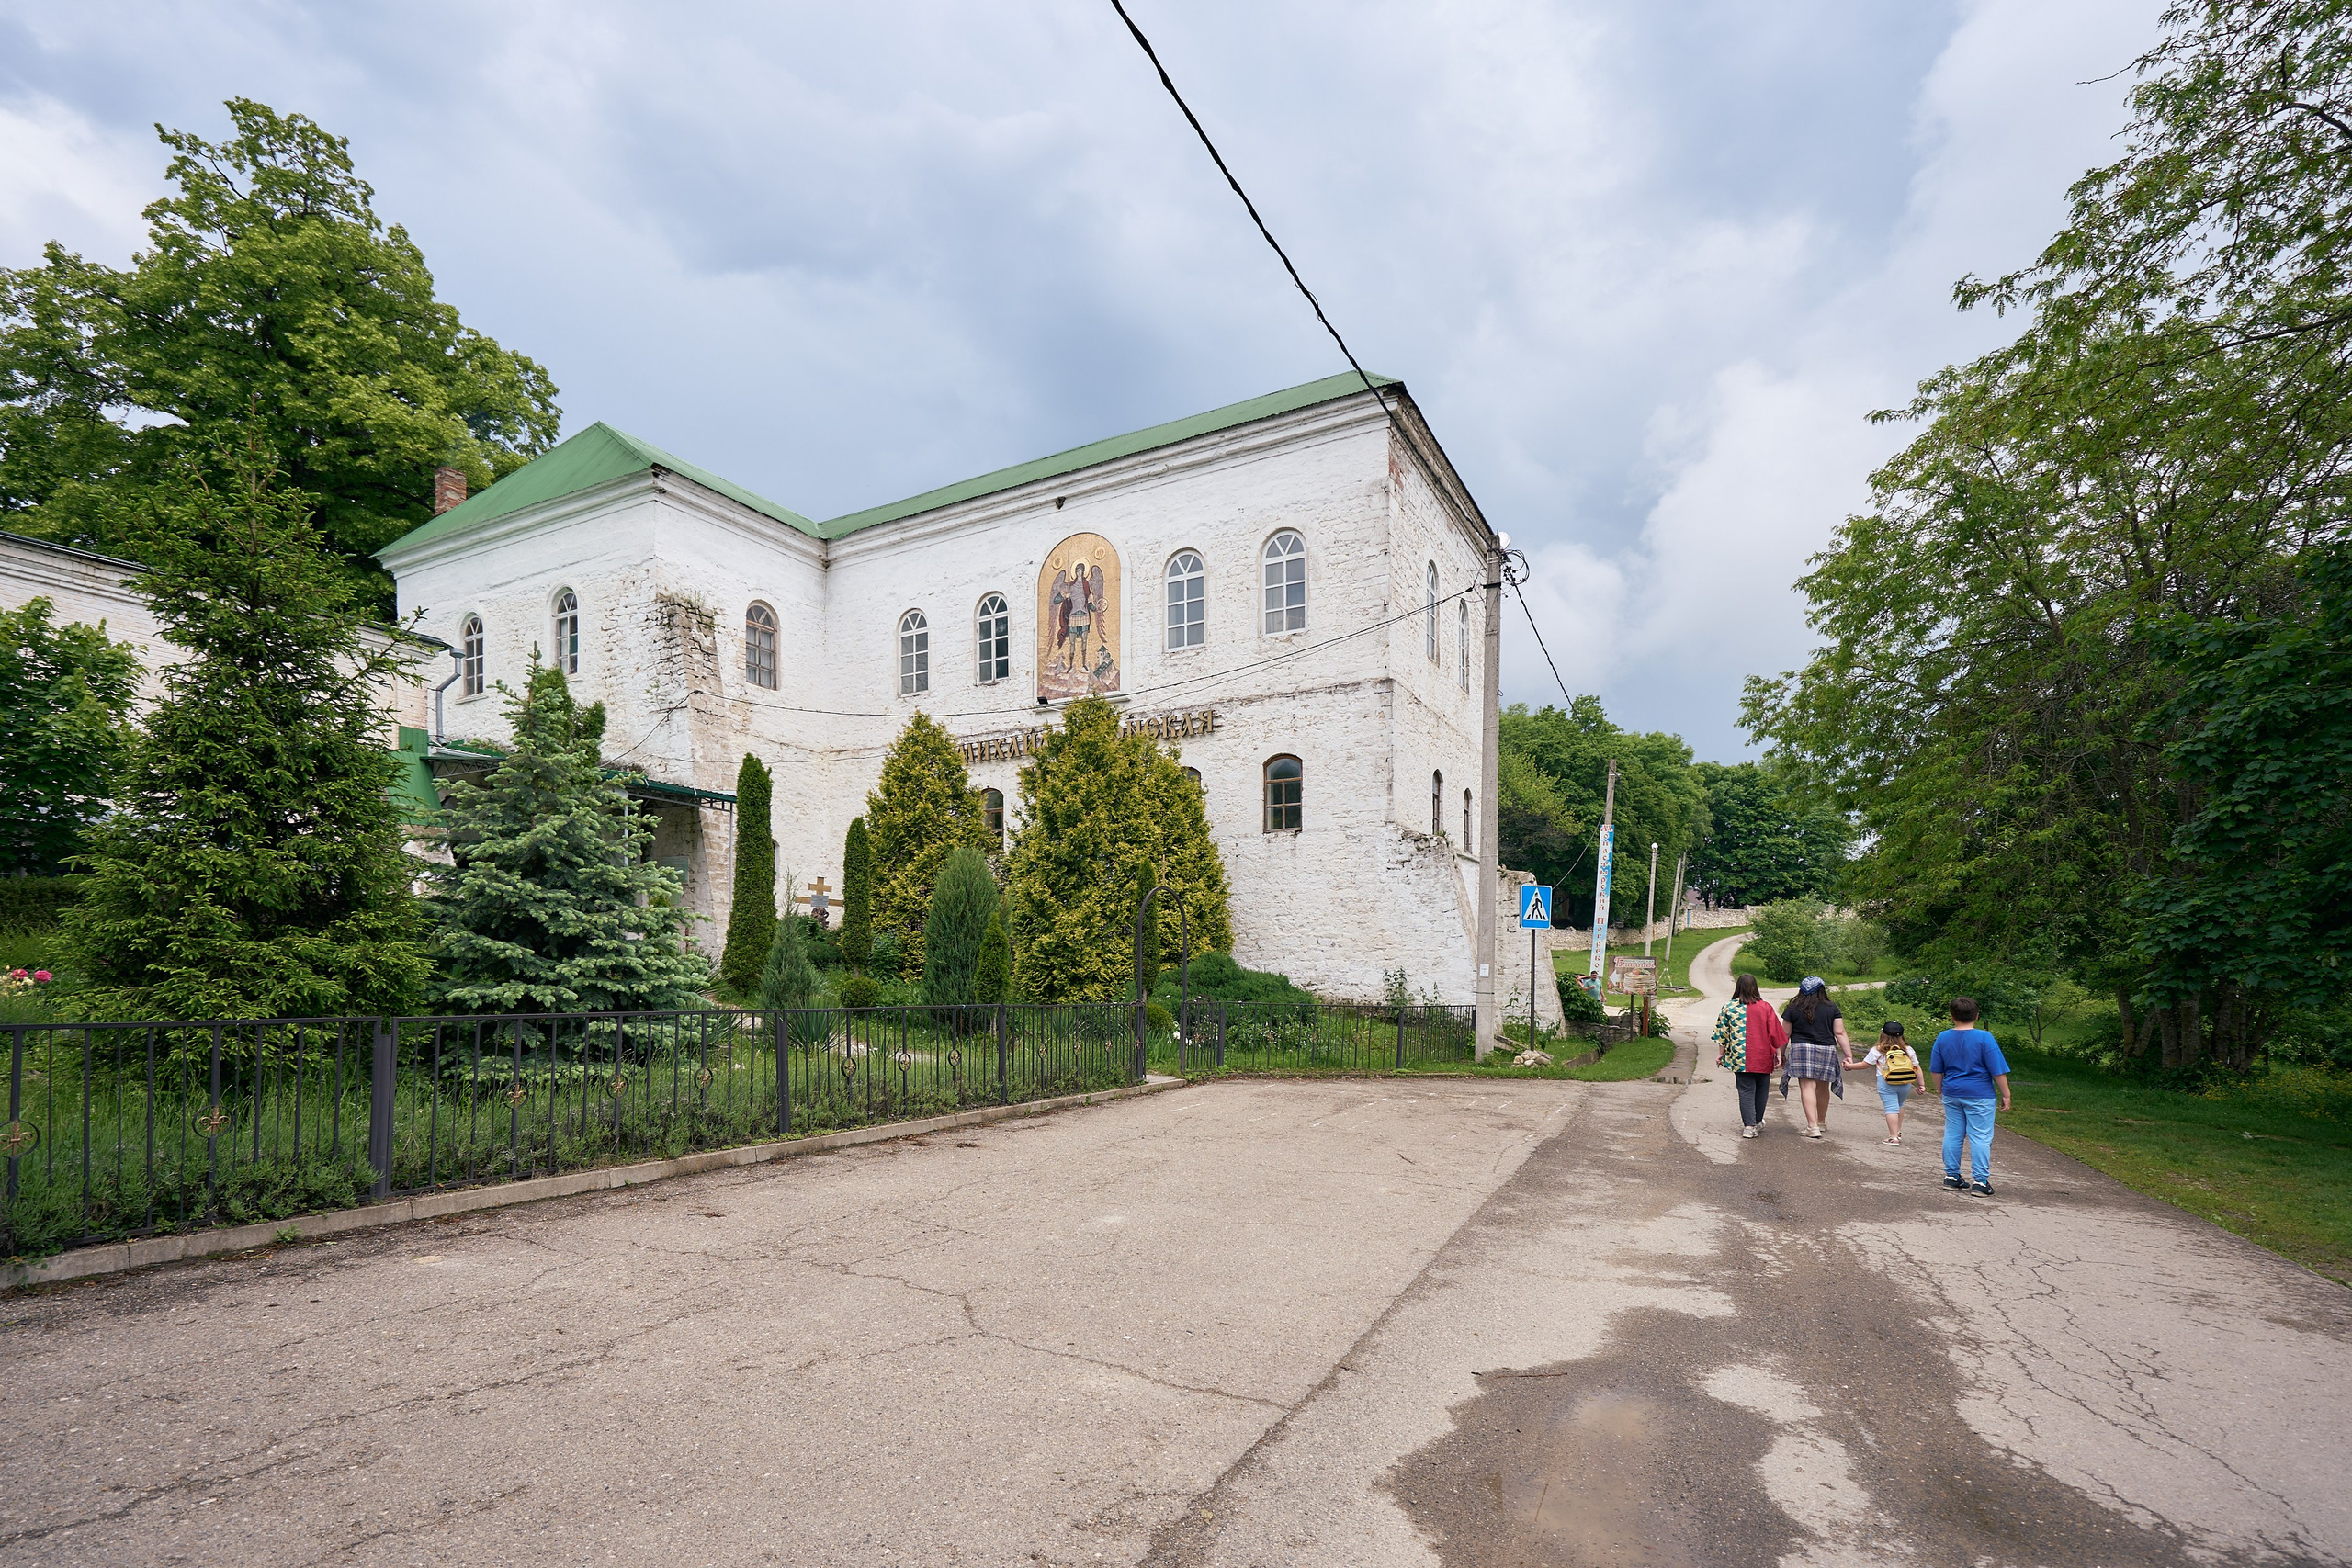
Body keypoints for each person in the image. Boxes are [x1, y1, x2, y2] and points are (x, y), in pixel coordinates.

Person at [1929, 996, 2011, 1195]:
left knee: (1953, 1133)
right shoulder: (1984, 1038)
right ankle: (1981, 1181)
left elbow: (1936, 1069)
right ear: (1976, 1015)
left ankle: (1951, 1176)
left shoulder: (1943, 1037)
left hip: (1952, 1091)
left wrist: (1941, 1090)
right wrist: (2006, 1094)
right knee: (1980, 1136)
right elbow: (1997, 1070)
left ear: (1951, 1016)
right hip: (1979, 1093)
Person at [1781, 977, 1860, 1140]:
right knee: (1823, 1086)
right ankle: (1821, 1122)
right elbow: (1840, 1033)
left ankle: (1812, 1126)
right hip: (1826, 1049)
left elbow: (1785, 1034)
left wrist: (1780, 1054)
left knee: (1807, 1086)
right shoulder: (1832, 1008)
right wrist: (1849, 1055)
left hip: (1801, 1049)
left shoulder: (1792, 1008)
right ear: (1822, 990)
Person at [1712, 974, 1787, 1138]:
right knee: (1761, 1089)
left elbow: (1721, 1034)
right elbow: (1776, 1034)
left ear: (1738, 987)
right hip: (1763, 1056)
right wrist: (1779, 1055)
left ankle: (1749, 1127)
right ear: (1755, 987)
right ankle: (1757, 1121)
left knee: (1745, 1090)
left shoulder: (1728, 1007)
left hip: (1740, 1058)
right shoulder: (1765, 1007)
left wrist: (1721, 1054)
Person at [1862, 1021, 1926, 1145]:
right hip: (1905, 1082)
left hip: (1886, 1082)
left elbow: (1865, 1064)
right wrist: (1921, 1084)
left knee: (1891, 1108)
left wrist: (1850, 1065)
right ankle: (1897, 1131)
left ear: (1882, 1034)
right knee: (1900, 1104)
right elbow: (1917, 1067)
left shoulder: (1878, 1050)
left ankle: (1893, 1137)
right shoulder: (1908, 1050)